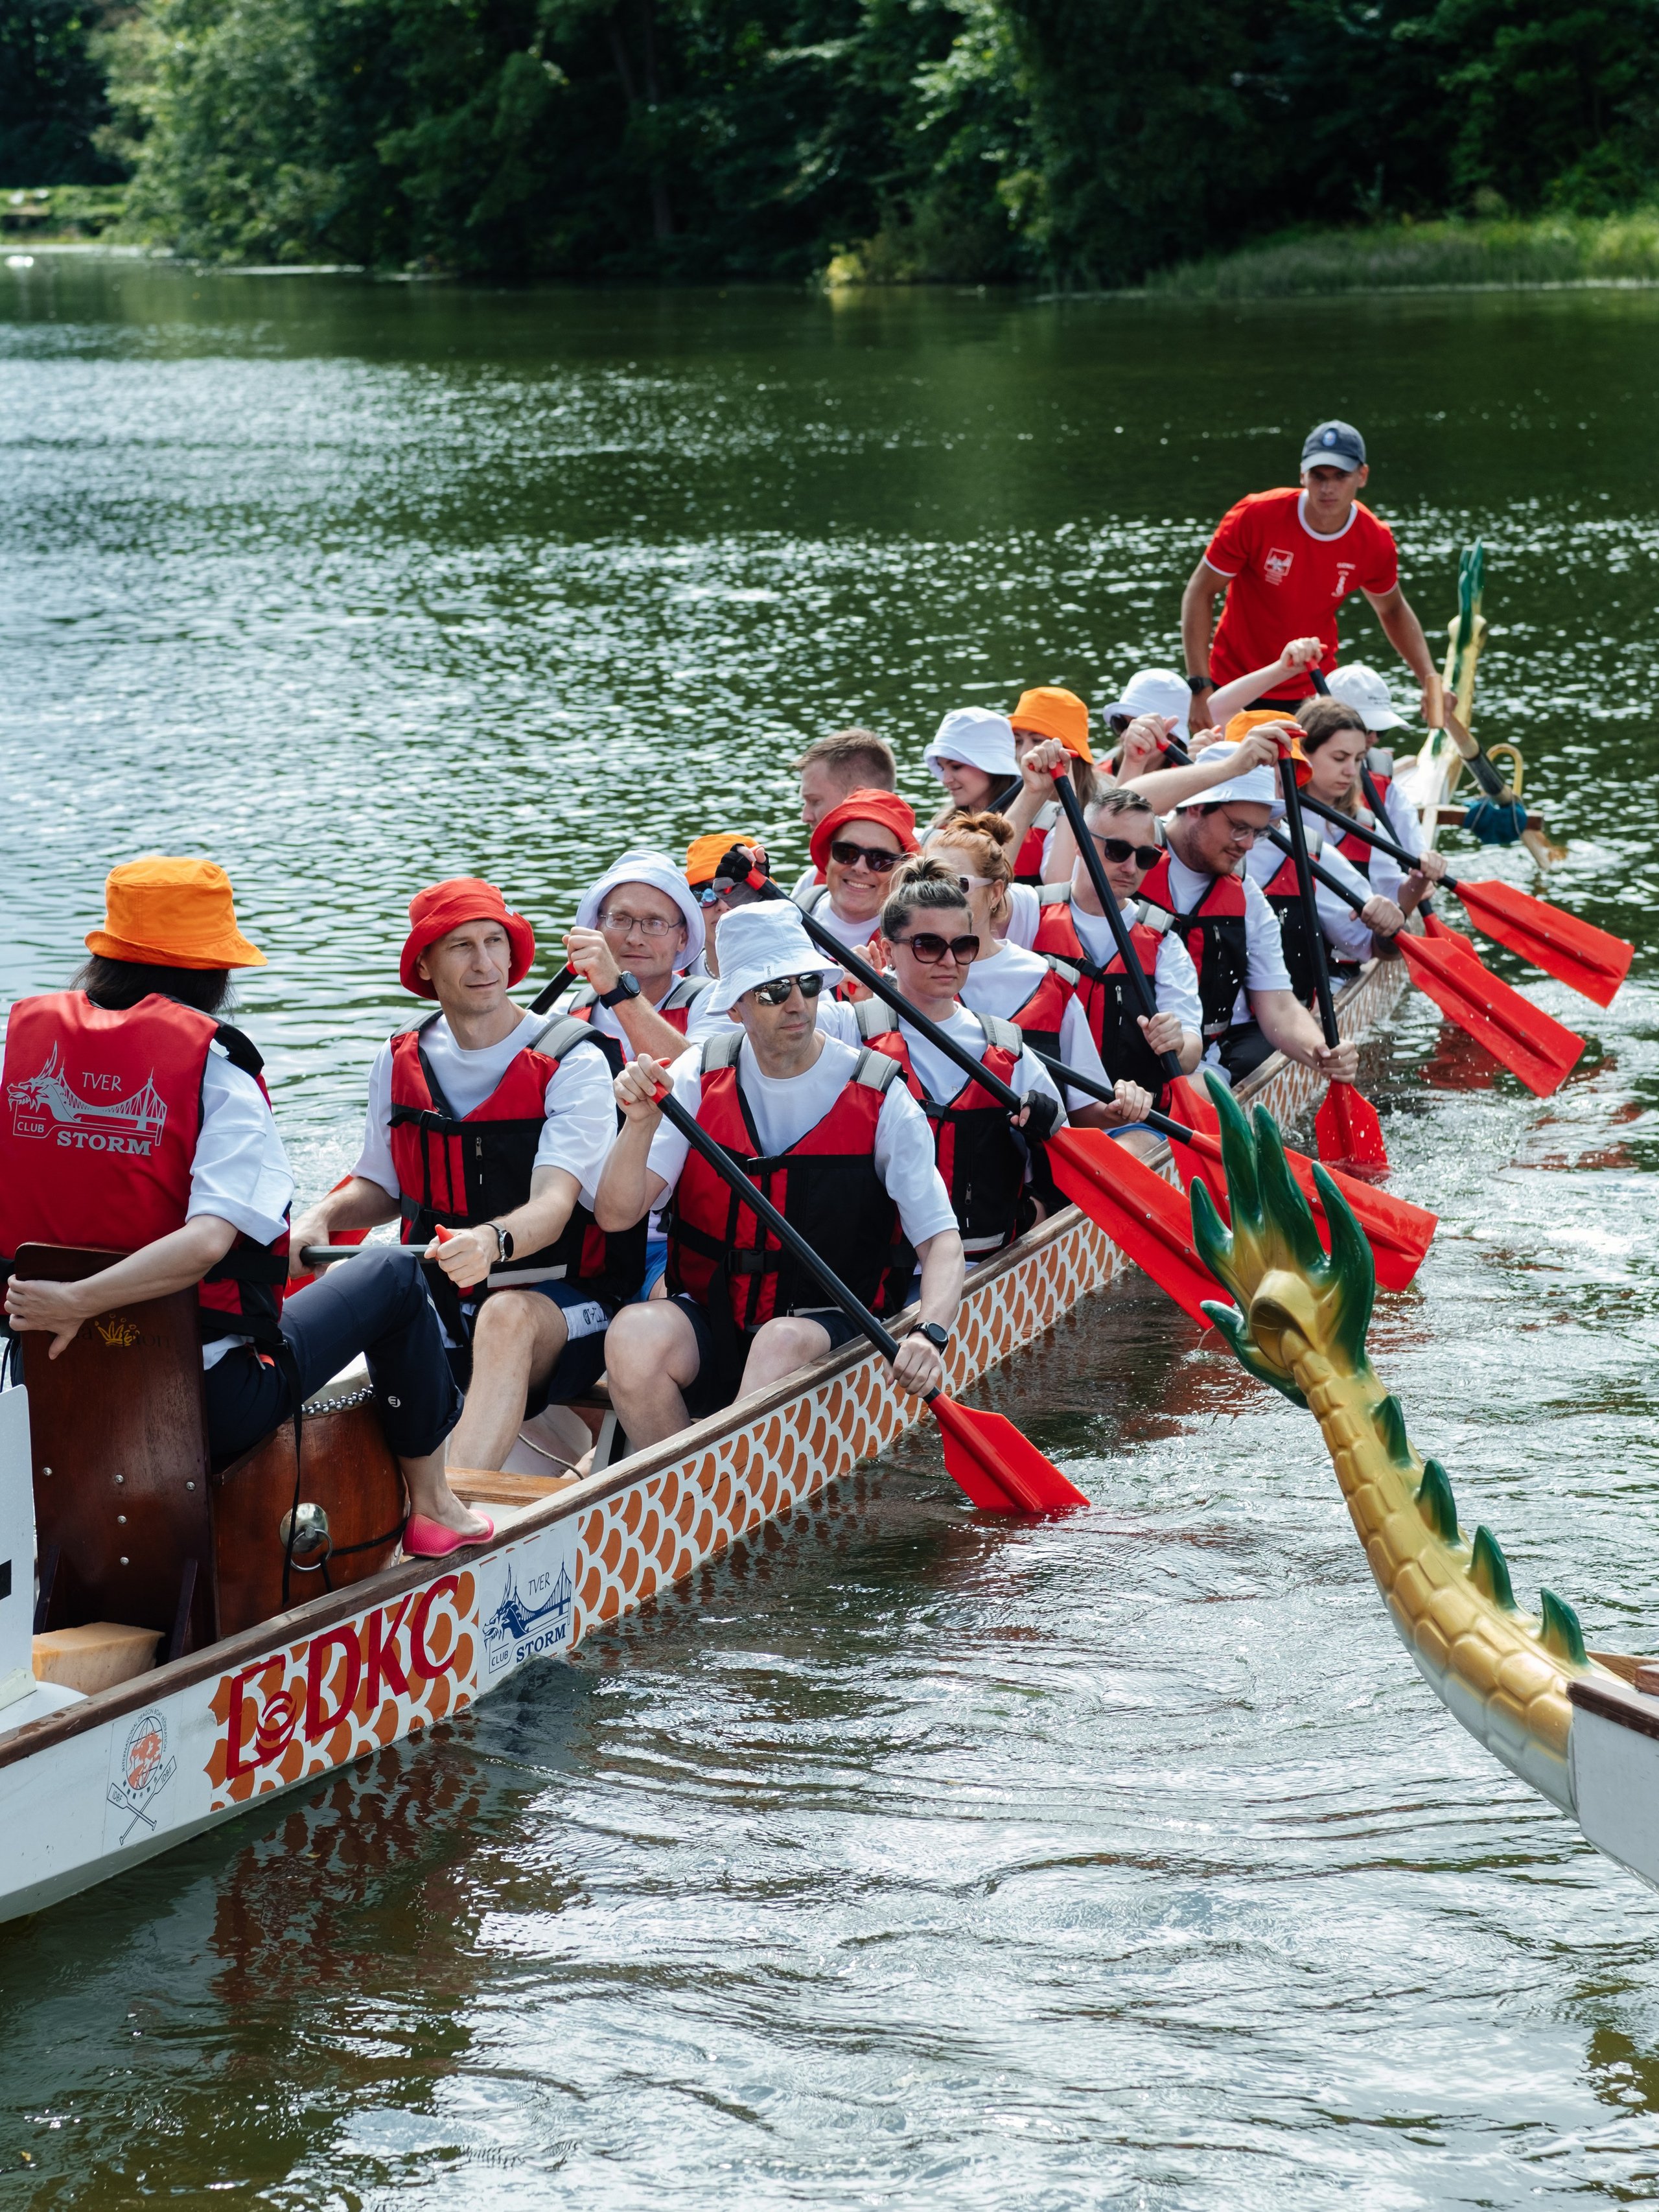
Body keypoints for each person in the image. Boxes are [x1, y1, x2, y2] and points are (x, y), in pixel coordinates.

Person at [0, 857, 488, 1556]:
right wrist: (80, 1299)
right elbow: (205, 1244)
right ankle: (436, 1506)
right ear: (213, 972)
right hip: (203, 1406)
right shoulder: (216, 1069)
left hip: (45, 1395)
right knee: (396, 1277)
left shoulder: (23, 1053)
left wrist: (65, 1304)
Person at [289, 877, 638, 1478]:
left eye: (494, 943)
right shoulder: (398, 1057)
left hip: (572, 1301)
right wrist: (318, 1219)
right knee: (361, 1293)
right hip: (446, 1297)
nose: (484, 964)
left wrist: (491, 1242)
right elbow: (382, 1186)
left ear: (513, 954)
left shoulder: (573, 1059)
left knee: (505, 1316)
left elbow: (556, 1203)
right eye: (461, 946)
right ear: (425, 963)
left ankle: (448, 1519)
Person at [592, 904, 964, 1449]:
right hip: (716, 1320)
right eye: (772, 991)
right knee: (632, 1332)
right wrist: (640, 1126)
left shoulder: (879, 1094)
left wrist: (930, 1333)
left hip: (836, 1329)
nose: (796, 1003)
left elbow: (941, 1241)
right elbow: (617, 1213)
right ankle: (683, 1496)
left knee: (780, 1338)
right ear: (738, 1007)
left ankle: (713, 1494)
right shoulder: (695, 1076)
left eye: (808, 984)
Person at [822, 857, 1069, 1264]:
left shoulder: (1008, 1048)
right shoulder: (848, 1028)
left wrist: (1047, 1130)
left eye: (963, 945)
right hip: (874, 1280)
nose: (949, 960)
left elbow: (1066, 1160)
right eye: (928, 945)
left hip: (984, 1272)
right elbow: (769, 1034)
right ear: (887, 950)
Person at [1179, 419, 1442, 734]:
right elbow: (1200, 591)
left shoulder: (1374, 539)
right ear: (1302, 474)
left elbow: (1393, 609)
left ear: (1362, 476)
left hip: (1314, 688)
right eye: (1318, 476)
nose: (1327, 488)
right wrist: (1199, 685)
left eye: (1340, 476)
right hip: (1236, 683)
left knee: (1326, 778)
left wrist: (1430, 680)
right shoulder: (1255, 516)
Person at [1135, 745, 1365, 1087]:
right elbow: (1108, 806)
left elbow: (1279, 1005)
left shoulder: (1247, 898)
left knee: (1200, 1092)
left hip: (1192, 1062)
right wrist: (1227, 769)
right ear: (1196, 806)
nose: (1248, 846)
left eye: (1257, 832)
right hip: (1104, 1054)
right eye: (1239, 828)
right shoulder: (1126, 857)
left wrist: (1320, 1049)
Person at [1006, 789, 1203, 1143]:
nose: (1130, 867)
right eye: (1117, 851)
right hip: (1030, 1114)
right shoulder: (1027, 912)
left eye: (1144, 857)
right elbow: (973, 891)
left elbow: (1189, 1053)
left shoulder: (1164, 940)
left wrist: (1177, 1042)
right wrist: (1032, 791)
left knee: (1137, 1145)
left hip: (1126, 1120)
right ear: (1081, 843)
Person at [927, 813, 1144, 1132]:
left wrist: (1128, 1103)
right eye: (927, 883)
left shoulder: (1047, 982)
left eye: (957, 884)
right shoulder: (894, 980)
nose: (937, 898)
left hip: (1027, 1168)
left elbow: (1084, 1112)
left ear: (996, 892)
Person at [558, 848, 716, 1069]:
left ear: (683, 937)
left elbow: (698, 1083)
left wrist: (617, 989)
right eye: (620, 919)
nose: (634, 938)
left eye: (655, 923)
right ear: (597, 927)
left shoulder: (716, 1004)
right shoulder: (564, 1012)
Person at [1294, 696, 1446, 915]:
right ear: (1303, 752)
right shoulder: (1274, 817)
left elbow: (1398, 901)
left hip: (1351, 943)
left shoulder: (1365, 825)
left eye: (1358, 760)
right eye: (1339, 758)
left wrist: (1419, 880)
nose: (1351, 771)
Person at [795, 787, 921, 956]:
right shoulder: (798, 910)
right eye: (846, 852)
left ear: (902, 871)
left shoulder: (918, 942)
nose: (860, 868)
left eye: (880, 858)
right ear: (828, 855)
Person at [789, 729, 899, 899]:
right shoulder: (810, 887)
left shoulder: (930, 874)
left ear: (859, 798)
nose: (806, 816)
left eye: (815, 801)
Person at [1006, 687, 1098, 884]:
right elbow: (987, 871)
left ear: (1069, 750)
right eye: (1018, 741)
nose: (1024, 753)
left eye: (1037, 740)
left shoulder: (1102, 804)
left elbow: (1059, 885)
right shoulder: (1009, 800)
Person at [683, 833, 769, 979]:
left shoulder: (802, 975)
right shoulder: (669, 983)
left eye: (738, 891)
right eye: (704, 893)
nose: (724, 906)